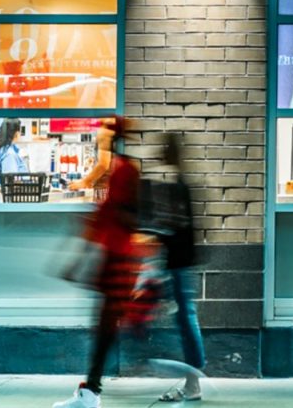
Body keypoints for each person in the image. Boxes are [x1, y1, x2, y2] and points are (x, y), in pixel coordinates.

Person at [55, 117, 143, 408]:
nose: (99, 140)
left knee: (106, 327)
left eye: (103, 136)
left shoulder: (120, 172)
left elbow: (105, 217)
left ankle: (91, 393)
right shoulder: (128, 169)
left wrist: (77, 261)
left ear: (112, 138)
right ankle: (91, 389)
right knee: (107, 326)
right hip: (121, 258)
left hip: (116, 259)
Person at [154, 133, 206, 404]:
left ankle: (193, 381)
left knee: (185, 319)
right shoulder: (180, 185)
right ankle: (192, 379)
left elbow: (175, 228)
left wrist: (155, 233)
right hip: (181, 262)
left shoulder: (177, 188)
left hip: (178, 263)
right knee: (185, 317)